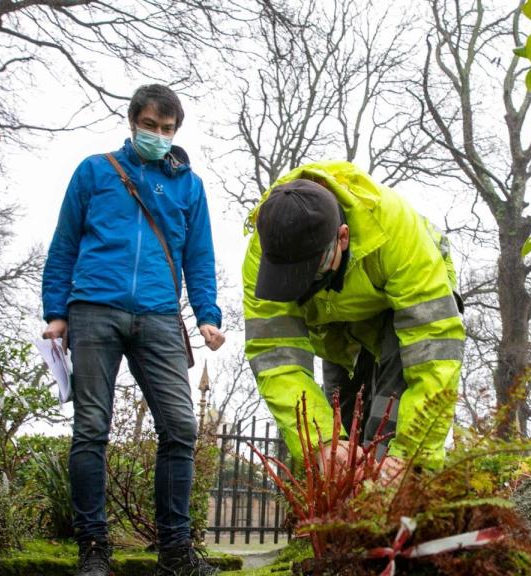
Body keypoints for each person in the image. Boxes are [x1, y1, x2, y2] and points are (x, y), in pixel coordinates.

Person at [42, 84, 224, 576]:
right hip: (93, 308)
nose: (159, 136)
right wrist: (55, 311)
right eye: (150, 126)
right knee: (91, 428)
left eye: (167, 129)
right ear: (132, 122)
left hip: (161, 315)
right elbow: (64, 244)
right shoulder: (95, 171)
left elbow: (199, 256)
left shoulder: (189, 186)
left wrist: (207, 314)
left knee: (181, 428)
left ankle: (175, 552)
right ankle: (94, 549)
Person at [241, 161, 464, 478]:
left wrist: (410, 455)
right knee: (342, 443)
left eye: (308, 272)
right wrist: (322, 444)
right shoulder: (263, 252)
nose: (298, 285)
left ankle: (401, 501)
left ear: (342, 237)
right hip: (337, 335)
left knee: (390, 436)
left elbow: (433, 345)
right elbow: (275, 355)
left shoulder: (394, 231)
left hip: (401, 317)